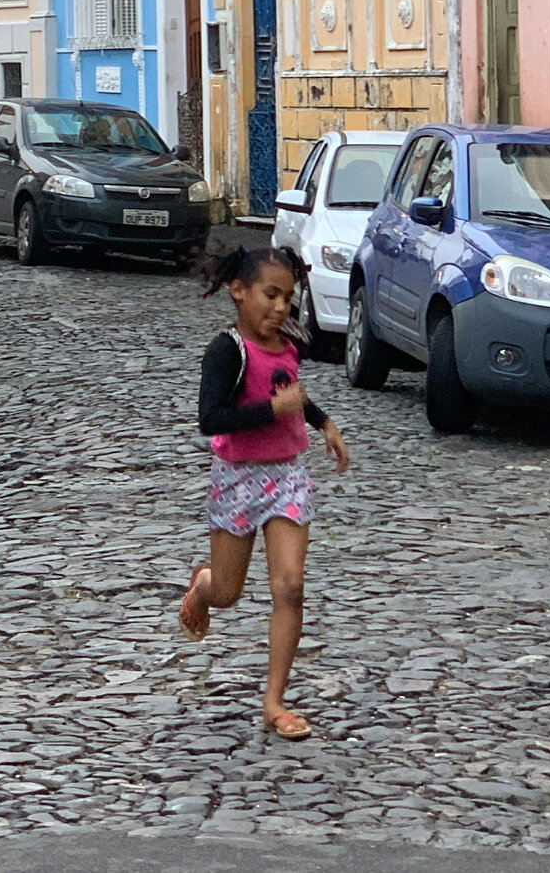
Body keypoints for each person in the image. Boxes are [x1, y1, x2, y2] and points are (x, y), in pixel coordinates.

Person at [175, 243, 350, 741]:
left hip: (286, 478)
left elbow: (289, 392)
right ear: (238, 291)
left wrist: (322, 422)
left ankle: (274, 702)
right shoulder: (227, 350)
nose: (280, 308)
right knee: (229, 594)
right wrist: (275, 411)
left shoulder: (290, 342)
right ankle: (203, 584)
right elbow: (212, 420)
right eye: (270, 295)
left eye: (288, 298)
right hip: (236, 479)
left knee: (290, 586)